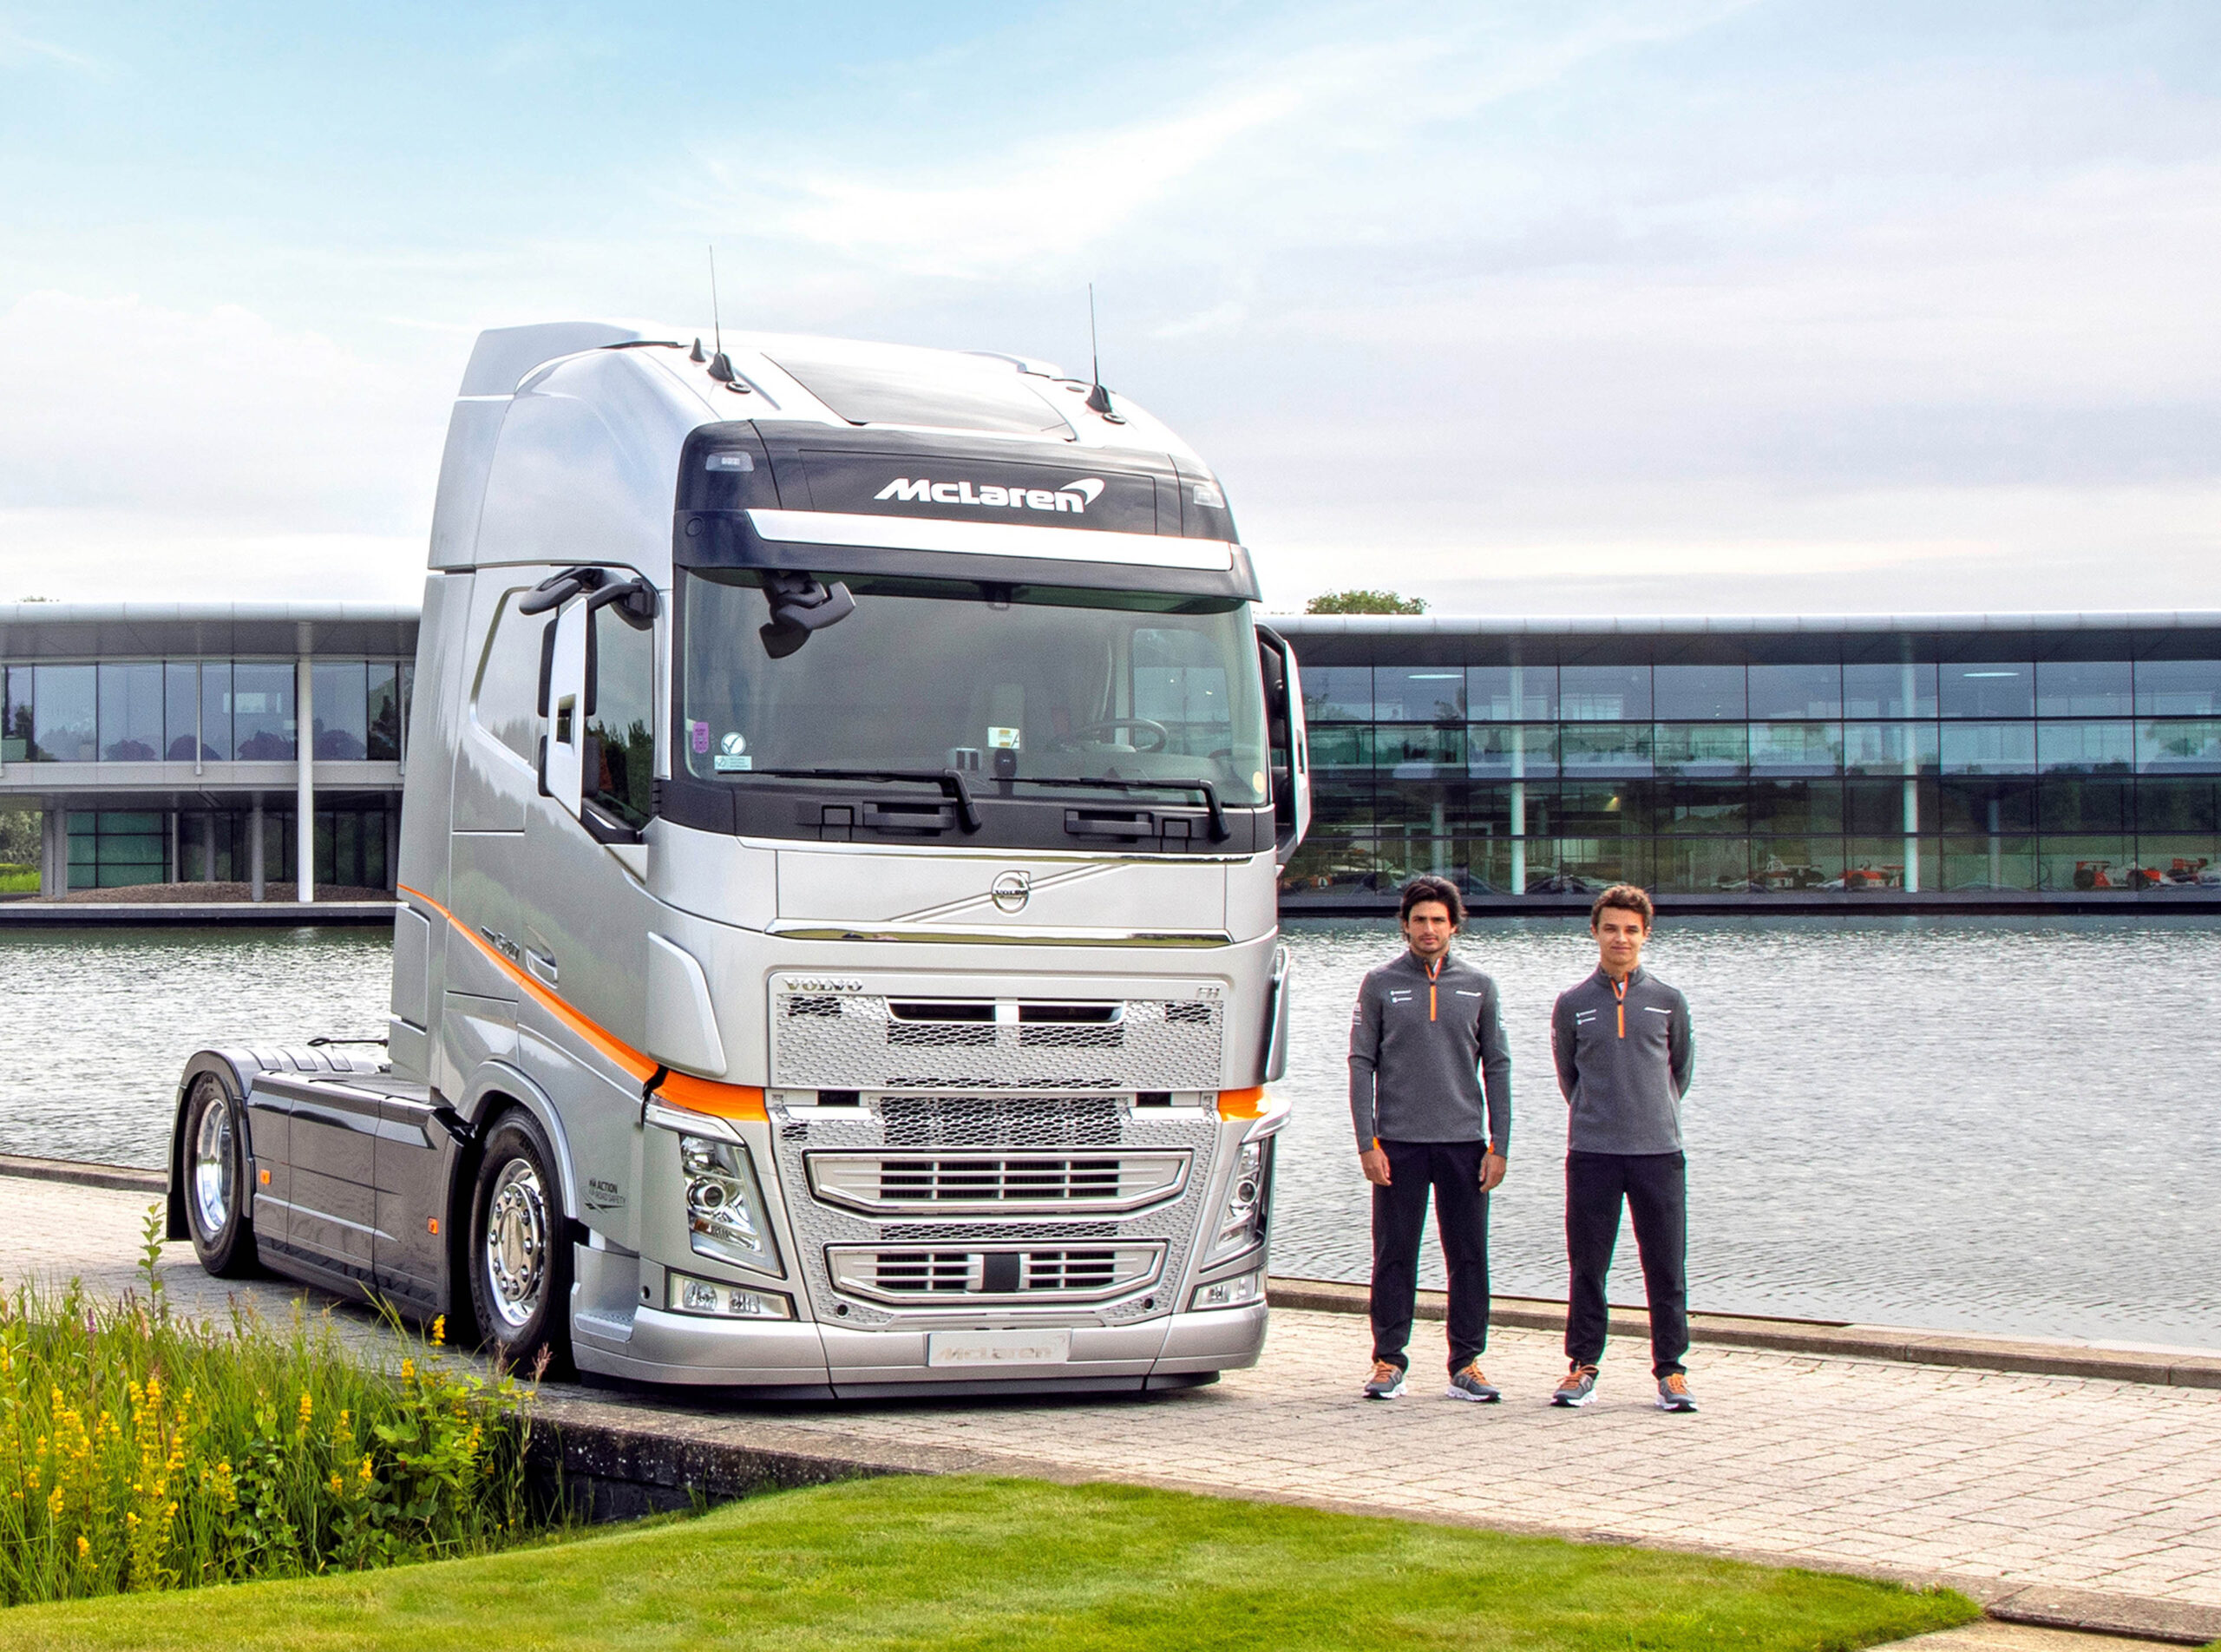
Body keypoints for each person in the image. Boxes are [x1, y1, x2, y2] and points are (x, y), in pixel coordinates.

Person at [1348, 874, 1511, 1402]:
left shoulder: (1480, 986)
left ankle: (1466, 1363)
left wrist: (1500, 1145)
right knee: (1394, 1254)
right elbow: (1361, 1063)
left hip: (1465, 1144)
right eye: (1419, 919)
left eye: (1438, 920)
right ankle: (1388, 1359)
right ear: (1404, 924)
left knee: (1469, 1256)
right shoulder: (1379, 983)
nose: (1429, 929)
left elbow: (1498, 1066)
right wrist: (1367, 1142)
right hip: (1398, 1144)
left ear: (1454, 926)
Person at [1549, 883, 1698, 1413]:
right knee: (1588, 1266)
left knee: (1666, 1267)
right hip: (1593, 1153)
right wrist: (1601, 1114)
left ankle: (1671, 1371)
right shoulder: (1572, 1004)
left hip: (1658, 1153)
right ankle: (1583, 1366)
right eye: (1611, 928)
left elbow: (1679, 1072)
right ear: (1595, 932)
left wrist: (1650, 1114)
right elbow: (1569, 1077)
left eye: (1631, 930)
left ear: (1645, 935)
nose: (1621, 938)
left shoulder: (1668, 1001)